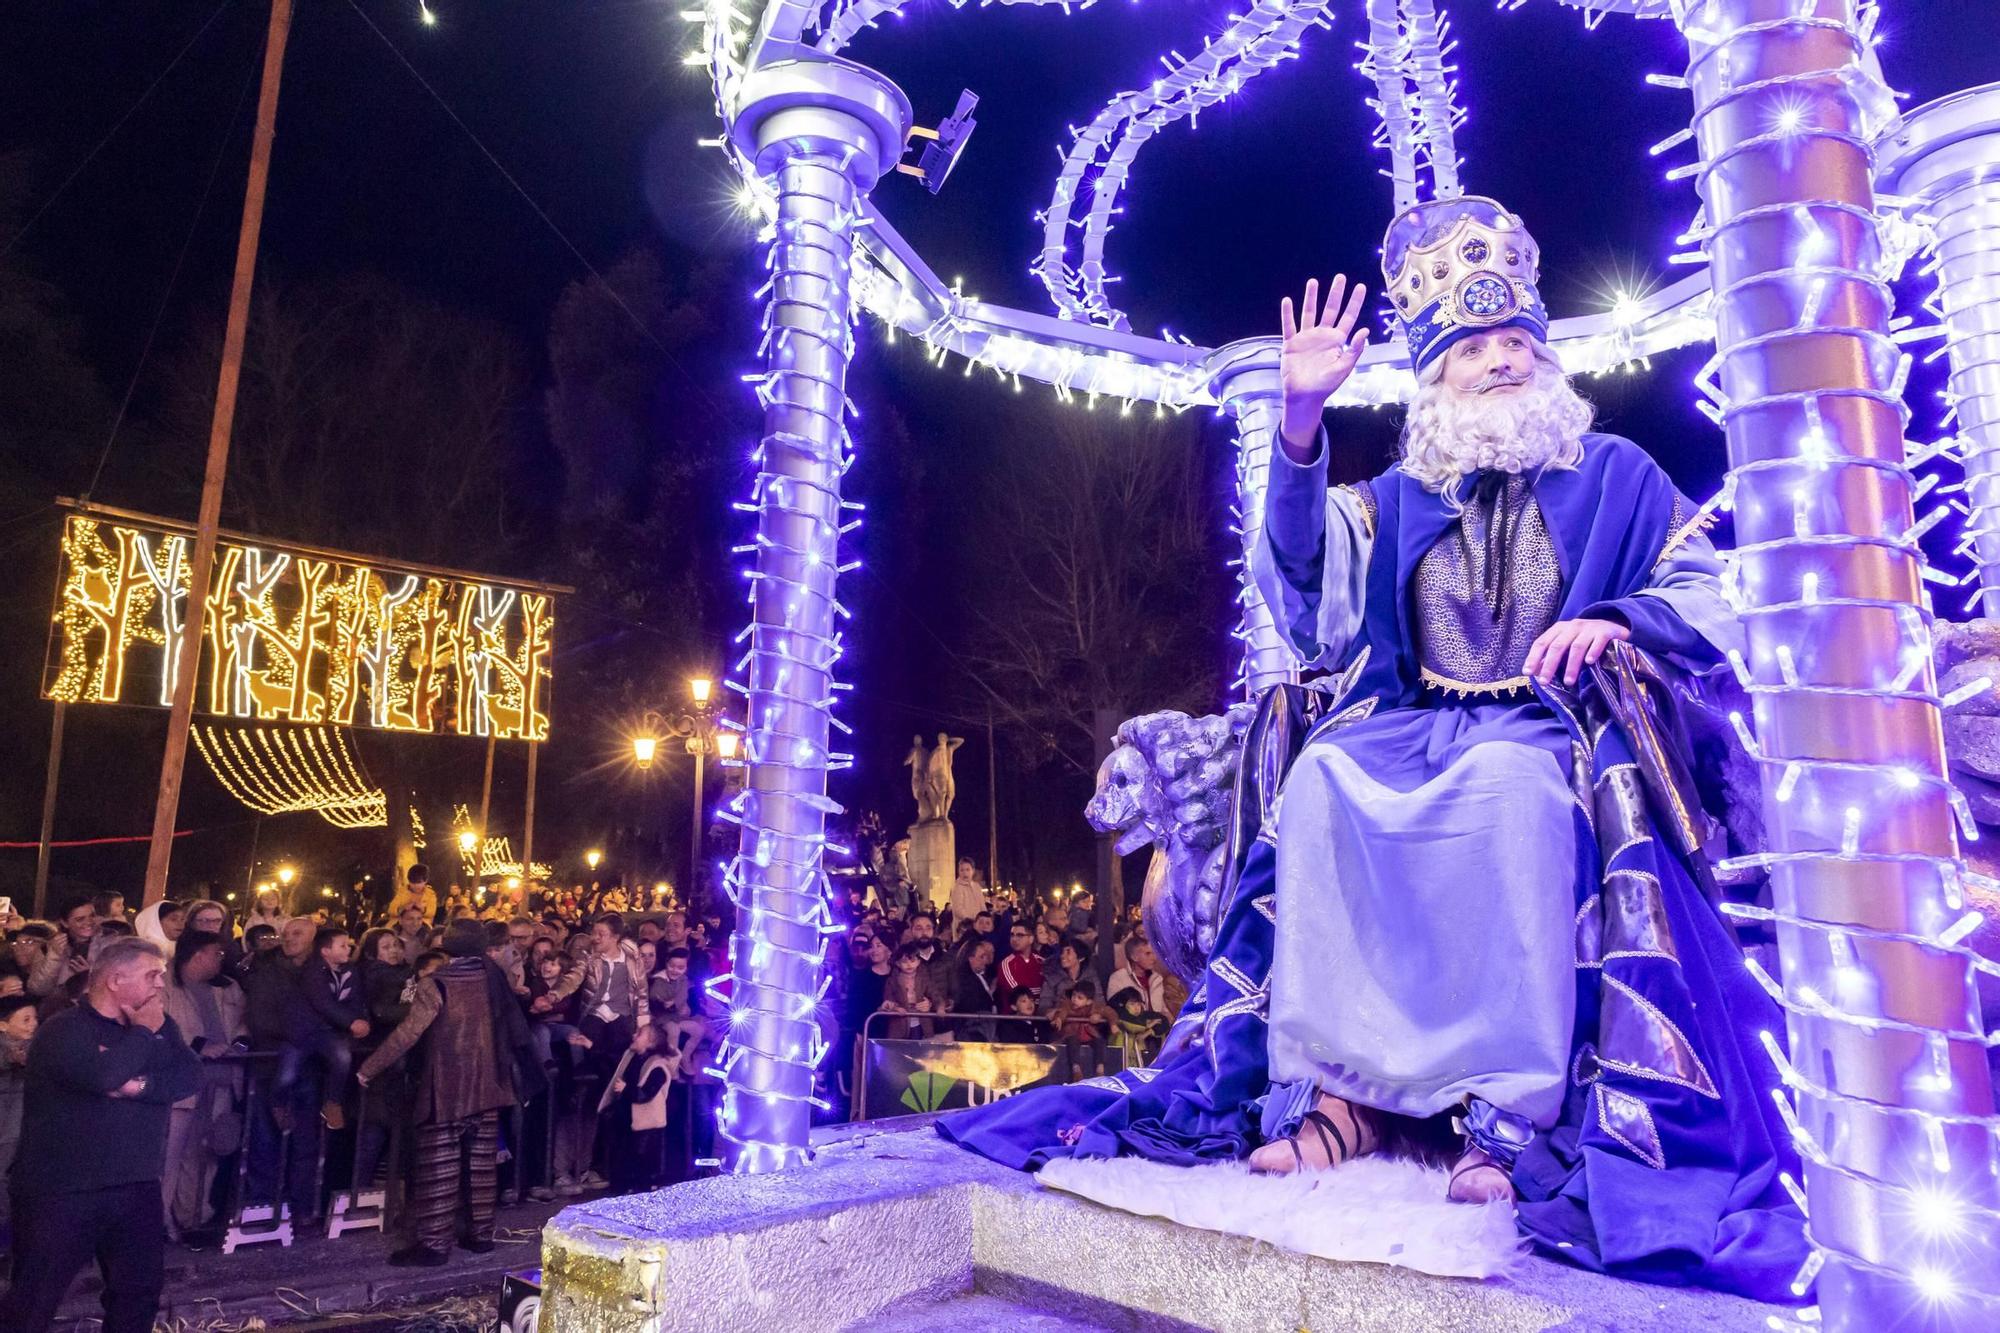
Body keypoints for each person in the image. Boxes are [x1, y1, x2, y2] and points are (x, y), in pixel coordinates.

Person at [938, 198, 1804, 1301]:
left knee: (1506, 790)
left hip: (1546, 730)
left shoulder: (1622, 475)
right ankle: (1334, 1095)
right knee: (1328, 780)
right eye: (1470, 349)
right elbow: (1307, 605)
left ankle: (1503, 1112)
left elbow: (1706, 588)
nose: (1496, 364)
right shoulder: (1391, 497)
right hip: (1401, 722)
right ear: (1432, 376)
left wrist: (1622, 620)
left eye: (1513, 345)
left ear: (1542, 357)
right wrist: (1298, 427)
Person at [0, 937, 200, 1333]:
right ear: (115, 979)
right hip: (63, 1189)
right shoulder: (64, 1029)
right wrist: (142, 1036)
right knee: (34, 1299)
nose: (160, 984)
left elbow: (189, 1075)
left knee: (137, 1294)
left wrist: (137, 1086)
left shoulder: (161, 1025)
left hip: (135, 1183)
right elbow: (103, 1076)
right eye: (151, 975)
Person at [356, 920, 541, 1267]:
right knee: (481, 1165)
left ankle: (435, 1244)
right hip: (490, 1083)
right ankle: (481, 1234)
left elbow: (407, 1034)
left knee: (440, 1167)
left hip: (447, 1086)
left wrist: (369, 1068)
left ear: (448, 946)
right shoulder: (492, 980)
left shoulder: (435, 984)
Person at [160, 930, 246, 1242]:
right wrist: (198, 1046)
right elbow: (160, 1026)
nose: (222, 959)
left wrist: (240, 1045)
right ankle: (159, 1222)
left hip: (222, 1081)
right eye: (217, 954)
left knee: (207, 1154)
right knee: (170, 1156)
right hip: (182, 1085)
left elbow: (242, 1024)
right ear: (198, 955)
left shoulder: (228, 988)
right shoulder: (164, 983)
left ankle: (194, 1219)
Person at [0, 994, 35, 1247]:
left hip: (18, 1130)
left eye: (35, 1018)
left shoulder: (37, 1047)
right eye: (26, 1019)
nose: (33, 1024)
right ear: (3, 1025)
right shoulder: (9, 1050)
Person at [27, 898, 99, 1000]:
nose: (88, 922)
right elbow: (38, 989)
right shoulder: (48, 947)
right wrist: (54, 956)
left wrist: (90, 974)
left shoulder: (110, 943)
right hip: (59, 1010)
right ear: (65, 923)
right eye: (80, 919)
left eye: (92, 916)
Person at [1106, 937, 1168, 1019]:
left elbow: (1164, 1009)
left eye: (1154, 953)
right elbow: (1114, 1010)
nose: (1154, 958)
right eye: (1148, 954)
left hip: (1159, 1026)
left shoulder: (1157, 978)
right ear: (1134, 957)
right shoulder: (1118, 978)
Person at [951, 939, 1000, 1042]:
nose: (985, 961)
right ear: (970, 959)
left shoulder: (980, 977)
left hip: (985, 1032)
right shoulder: (964, 981)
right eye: (981, 957)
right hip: (974, 1035)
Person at [996, 922, 1044, 1008]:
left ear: (1031, 939)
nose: (1014, 939)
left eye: (1020, 935)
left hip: (1041, 1015)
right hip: (1015, 1018)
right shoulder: (1006, 964)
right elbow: (1019, 994)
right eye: (1012, 935)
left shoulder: (1042, 962)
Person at [947, 858, 986, 934]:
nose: (965, 873)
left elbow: (982, 906)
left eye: (967, 870)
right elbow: (958, 910)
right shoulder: (957, 887)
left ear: (973, 871)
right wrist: (974, 921)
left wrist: (984, 920)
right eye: (962, 870)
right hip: (963, 929)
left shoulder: (977, 886)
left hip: (979, 927)